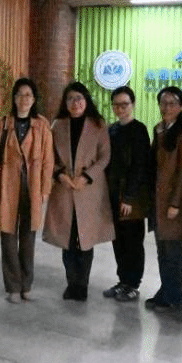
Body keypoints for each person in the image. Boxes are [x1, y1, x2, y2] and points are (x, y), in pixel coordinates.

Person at [43, 82, 115, 301]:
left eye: (79, 98)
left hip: (89, 189)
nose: (75, 103)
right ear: (65, 103)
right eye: (70, 99)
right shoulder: (58, 125)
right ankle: (71, 283)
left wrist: (86, 176)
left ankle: (82, 285)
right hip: (65, 188)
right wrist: (60, 174)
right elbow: (50, 156)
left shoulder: (98, 124)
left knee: (85, 239)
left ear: (86, 100)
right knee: (67, 237)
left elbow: (105, 156)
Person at [0, 78, 54, 303]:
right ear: (14, 98)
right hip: (7, 186)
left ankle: (26, 285)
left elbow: (48, 160)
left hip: (32, 187)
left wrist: (45, 188)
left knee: (28, 238)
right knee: (8, 235)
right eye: (19, 94)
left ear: (34, 99)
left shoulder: (42, 126)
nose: (24, 99)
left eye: (28, 95)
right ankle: (13, 287)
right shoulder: (2, 125)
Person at [145, 86, 182, 313]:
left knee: (173, 251)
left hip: (173, 203)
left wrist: (175, 203)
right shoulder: (159, 129)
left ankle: (175, 296)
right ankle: (166, 289)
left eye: (172, 103)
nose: (166, 107)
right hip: (157, 200)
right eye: (163, 103)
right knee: (161, 249)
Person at [102, 85, 151, 302]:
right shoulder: (112, 130)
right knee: (118, 241)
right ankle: (123, 281)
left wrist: (129, 197)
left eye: (125, 104)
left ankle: (133, 284)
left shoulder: (139, 130)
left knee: (133, 242)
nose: (120, 108)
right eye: (116, 105)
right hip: (113, 195)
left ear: (133, 105)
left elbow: (140, 166)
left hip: (132, 197)